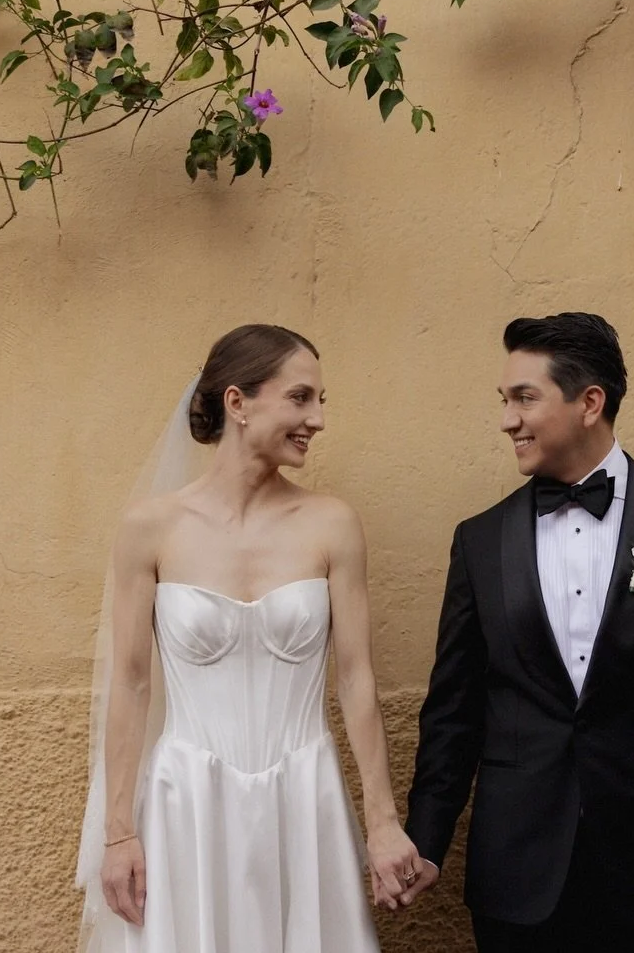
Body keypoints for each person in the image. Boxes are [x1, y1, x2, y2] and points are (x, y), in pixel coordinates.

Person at [402, 312, 634, 953]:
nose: (507, 420)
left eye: (525, 398)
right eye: (505, 400)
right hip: (518, 878)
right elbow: (454, 711)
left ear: (589, 403)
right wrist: (426, 842)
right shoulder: (480, 541)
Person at [74, 324, 420, 953]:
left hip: (303, 799)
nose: (316, 418)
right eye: (300, 398)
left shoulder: (333, 525)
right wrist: (119, 833)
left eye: (320, 402)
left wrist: (382, 823)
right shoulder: (149, 529)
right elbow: (129, 682)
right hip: (187, 807)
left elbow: (356, 680)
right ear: (238, 403)